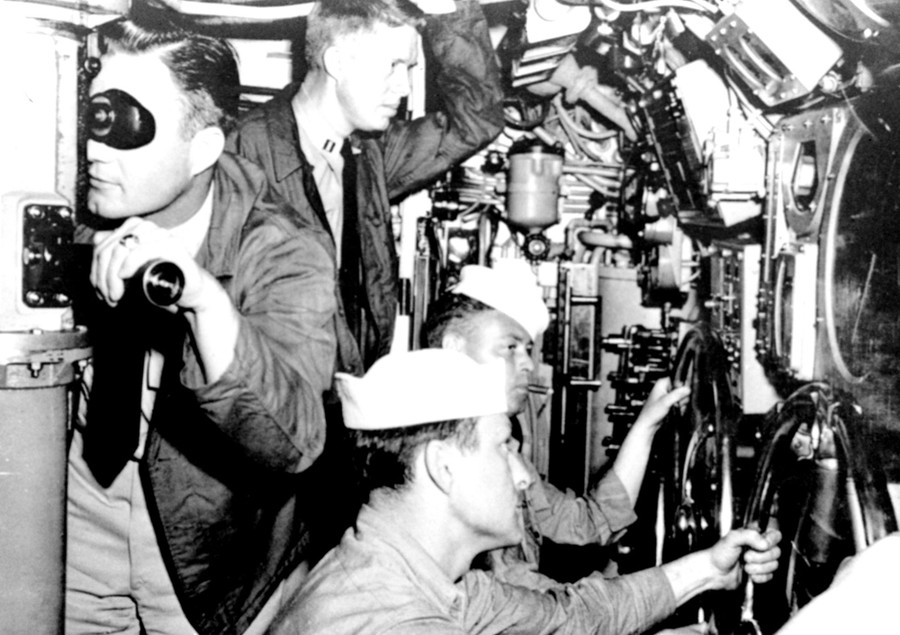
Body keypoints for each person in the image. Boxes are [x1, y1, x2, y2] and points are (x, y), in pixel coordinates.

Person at [66, 19, 336, 635]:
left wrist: (206, 303)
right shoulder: (67, 203)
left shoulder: (285, 249)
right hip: (76, 519)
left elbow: (291, 440)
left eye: (126, 122)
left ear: (203, 149)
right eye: (93, 117)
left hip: (211, 555)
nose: (93, 149)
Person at [267, 348, 781, 634]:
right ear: (444, 467)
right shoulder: (387, 620)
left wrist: (706, 570)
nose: (520, 474)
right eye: (503, 448)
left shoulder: (422, 577)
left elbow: (572, 616)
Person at [226, 0, 504, 372]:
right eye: (393, 66)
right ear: (337, 63)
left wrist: (450, 10)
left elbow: (477, 119)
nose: (404, 87)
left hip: (342, 402)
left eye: (408, 69)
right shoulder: (241, 158)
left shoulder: (370, 154)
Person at [423, 261, 690, 587]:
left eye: (528, 349)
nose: (527, 364)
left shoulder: (506, 449)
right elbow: (520, 608)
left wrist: (647, 423)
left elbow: (587, 523)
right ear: (453, 347)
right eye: (510, 347)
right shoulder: (440, 458)